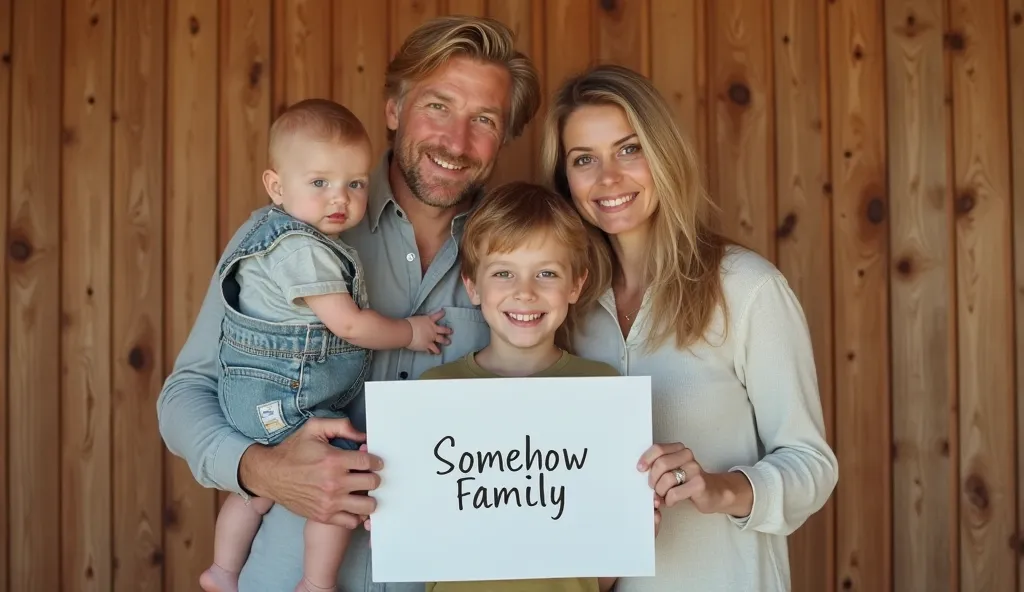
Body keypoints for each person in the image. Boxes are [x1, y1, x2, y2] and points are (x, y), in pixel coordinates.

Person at [156, 15, 541, 591]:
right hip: (287, 574)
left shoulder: (524, 257)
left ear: (503, 136)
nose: (455, 142)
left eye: (483, 119)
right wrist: (263, 471)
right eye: (438, 106)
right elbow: (184, 396)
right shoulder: (282, 239)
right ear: (394, 110)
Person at [540, 63, 839, 591]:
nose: (608, 178)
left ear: (663, 154)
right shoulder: (565, 307)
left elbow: (812, 465)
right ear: (566, 180)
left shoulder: (746, 288)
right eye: (584, 159)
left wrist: (719, 488)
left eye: (628, 149)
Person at [200, 99, 453, 592]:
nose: (340, 199)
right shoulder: (300, 250)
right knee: (338, 472)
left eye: (354, 184)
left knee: (254, 495)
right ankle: (316, 582)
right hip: (283, 395)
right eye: (320, 183)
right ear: (276, 186)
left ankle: (222, 570)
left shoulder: (305, 240)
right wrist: (411, 332)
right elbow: (352, 327)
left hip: (264, 398)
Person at [418, 181, 623, 592]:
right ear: (473, 287)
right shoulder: (433, 394)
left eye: (546, 273)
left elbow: (603, 562)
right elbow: (421, 532)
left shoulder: (602, 390)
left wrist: (632, 526)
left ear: (575, 286)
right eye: (504, 273)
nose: (525, 292)